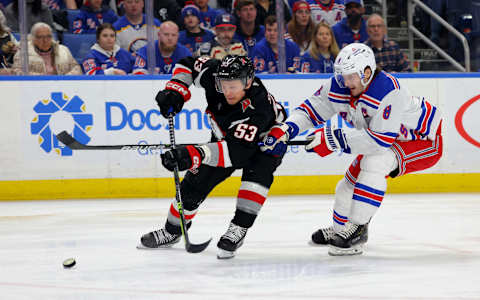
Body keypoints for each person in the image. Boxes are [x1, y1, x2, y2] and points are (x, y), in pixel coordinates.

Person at [260, 43, 443, 256]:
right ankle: (341, 230)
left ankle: (357, 230)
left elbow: (379, 141)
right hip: (384, 139)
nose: (345, 82)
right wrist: (285, 129)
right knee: (346, 186)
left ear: (367, 72)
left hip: (423, 140)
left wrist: (332, 140)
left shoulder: (391, 91)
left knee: (374, 163)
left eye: (351, 76)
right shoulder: (340, 85)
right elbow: (310, 111)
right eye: (343, 76)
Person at [138, 54, 286, 259]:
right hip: (225, 138)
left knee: (255, 181)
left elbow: (235, 153)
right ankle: (172, 232)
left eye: (233, 86)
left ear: (248, 81)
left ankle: (238, 228)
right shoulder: (214, 74)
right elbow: (188, 64)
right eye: (224, 85)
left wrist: (193, 154)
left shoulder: (258, 106)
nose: (227, 91)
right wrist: (176, 89)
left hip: (264, 143)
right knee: (193, 184)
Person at [12, 22, 81, 75]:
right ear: (33, 38)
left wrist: (64, 79)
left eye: (48, 36)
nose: (45, 40)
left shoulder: (64, 50)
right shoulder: (24, 52)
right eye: (40, 37)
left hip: (62, 87)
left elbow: (77, 68)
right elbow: (16, 71)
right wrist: (43, 79)